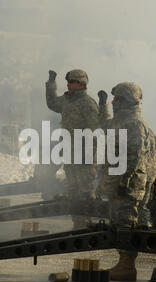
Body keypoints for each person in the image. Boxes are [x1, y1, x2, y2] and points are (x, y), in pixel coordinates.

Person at [98, 82, 156, 281]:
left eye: (118, 99)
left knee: (126, 222)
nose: (114, 102)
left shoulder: (134, 123)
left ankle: (127, 267)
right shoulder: (121, 120)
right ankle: (124, 264)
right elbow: (104, 125)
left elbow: (134, 156)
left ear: (127, 100)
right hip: (122, 181)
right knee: (120, 221)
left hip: (128, 183)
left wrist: (125, 182)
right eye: (113, 98)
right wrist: (102, 105)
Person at [45, 69, 100, 228]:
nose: (68, 85)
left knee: (85, 191)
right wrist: (51, 84)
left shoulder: (88, 104)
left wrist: (88, 156)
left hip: (84, 156)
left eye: (71, 82)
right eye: (67, 82)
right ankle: (78, 223)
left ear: (80, 84)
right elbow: (52, 103)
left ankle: (86, 223)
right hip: (70, 154)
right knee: (73, 191)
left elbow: (95, 133)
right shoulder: (68, 100)